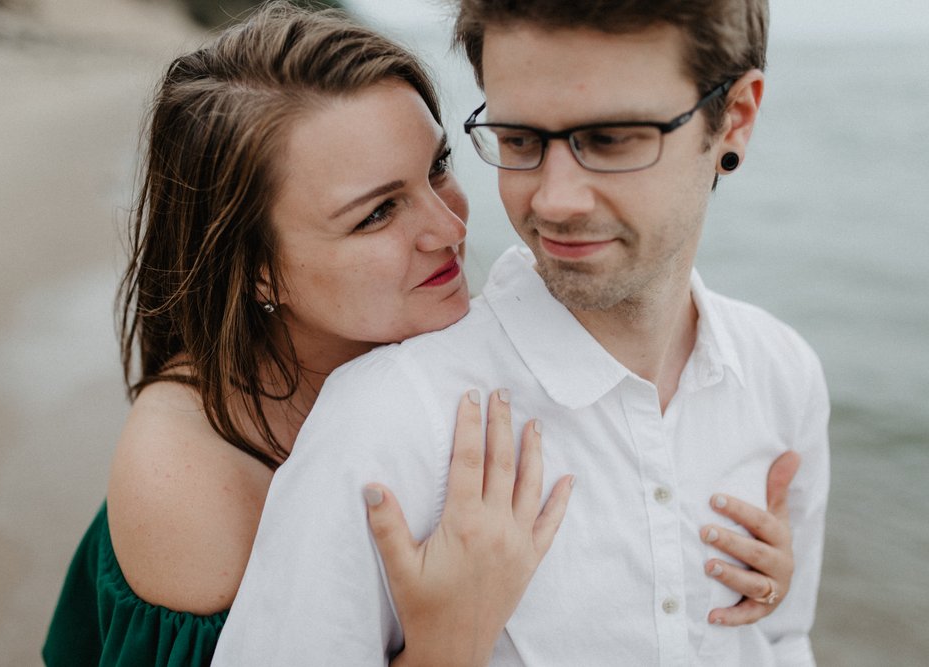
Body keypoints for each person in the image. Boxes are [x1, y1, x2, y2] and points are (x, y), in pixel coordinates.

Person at [214, 1, 829, 665]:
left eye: (612, 138)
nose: (554, 200)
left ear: (734, 118)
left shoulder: (782, 374)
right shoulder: (388, 421)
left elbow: (784, 640)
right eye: (520, 140)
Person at [42, 4, 575, 665]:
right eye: (377, 212)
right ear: (257, 270)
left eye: (437, 166)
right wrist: (442, 648)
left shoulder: (416, 346)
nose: (450, 227)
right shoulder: (192, 484)